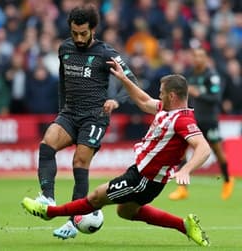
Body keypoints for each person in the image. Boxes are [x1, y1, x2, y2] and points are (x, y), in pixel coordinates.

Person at [22, 59, 211, 247]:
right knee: (125, 211)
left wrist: (186, 170)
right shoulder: (166, 109)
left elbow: (204, 148)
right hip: (142, 173)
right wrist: (123, 78)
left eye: (161, 93)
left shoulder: (183, 120)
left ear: (172, 96)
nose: (158, 96)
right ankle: (185, 226)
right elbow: (144, 101)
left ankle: (48, 211)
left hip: (144, 179)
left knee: (96, 196)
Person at [34, 4, 139, 240]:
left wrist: (117, 100)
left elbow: (131, 79)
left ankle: (73, 222)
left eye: (83, 33)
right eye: (75, 33)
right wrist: (62, 110)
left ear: (93, 29)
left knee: (79, 162)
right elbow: (63, 82)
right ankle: (48, 198)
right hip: (70, 113)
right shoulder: (65, 48)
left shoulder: (107, 53)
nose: (79, 38)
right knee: (47, 145)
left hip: (95, 116)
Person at [168, 47, 234, 201]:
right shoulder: (189, 75)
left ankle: (227, 180)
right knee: (181, 151)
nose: (197, 59)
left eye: (200, 56)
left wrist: (199, 93)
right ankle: (182, 188)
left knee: (217, 151)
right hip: (193, 119)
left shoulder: (212, 76)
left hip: (209, 120)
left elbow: (216, 98)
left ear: (205, 59)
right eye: (195, 56)